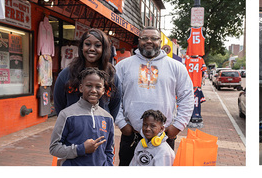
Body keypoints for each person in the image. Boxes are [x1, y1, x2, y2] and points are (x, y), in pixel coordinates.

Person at [115, 26, 193, 166]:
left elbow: (186, 97)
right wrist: (122, 124)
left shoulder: (176, 66)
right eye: (144, 38)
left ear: (160, 41)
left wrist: (177, 126)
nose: (149, 41)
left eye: (154, 38)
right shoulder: (123, 66)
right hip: (131, 135)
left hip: (162, 137)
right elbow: (114, 97)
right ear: (139, 41)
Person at [49, 68, 115, 166]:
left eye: (98, 87)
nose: (93, 90)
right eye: (89, 85)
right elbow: (54, 148)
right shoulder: (66, 115)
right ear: (81, 88)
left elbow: (109, 150)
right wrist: (81, 149)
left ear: (103, 90)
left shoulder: (108, 118)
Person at [53, 29, 122, 118]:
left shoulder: (112, 77)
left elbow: (114, 107)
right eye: (87, 44)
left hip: (101, 130)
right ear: (82, 47)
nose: (92, 49)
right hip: (73, 130)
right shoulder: (66, 74)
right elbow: (59, 106)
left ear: (104, 49)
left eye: (97, 45)